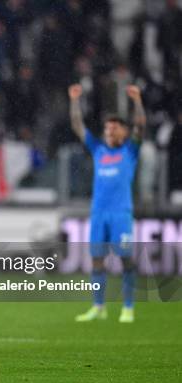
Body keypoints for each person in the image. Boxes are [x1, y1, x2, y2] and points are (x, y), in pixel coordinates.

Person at [68, 83, 146, 323]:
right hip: (99, 213)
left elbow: (140, 126)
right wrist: (74, 101)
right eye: (107, 128)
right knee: (97, 260)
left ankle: (128, 307)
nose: (109, 131)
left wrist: (137, 101)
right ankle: (99, 307)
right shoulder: (99, 149)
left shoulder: (130, 150)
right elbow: (78, 127)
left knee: (126, 259)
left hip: (121, 213)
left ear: (123, 131)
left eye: (114, 128)